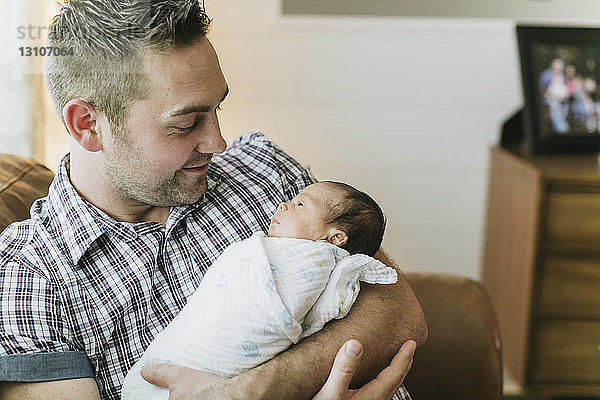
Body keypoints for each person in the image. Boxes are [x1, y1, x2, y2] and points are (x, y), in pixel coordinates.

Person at [0, 1, 427, 399]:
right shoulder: (28, 281)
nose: (218, 142)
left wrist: (258, 389)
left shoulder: (265, 171)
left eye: (217, 108)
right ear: (87, 124)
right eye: (186, 123)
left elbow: (402, 313)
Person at [122, 181, 398, 399]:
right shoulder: (273, 250)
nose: (283, 205)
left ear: (334, 238)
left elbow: (314, 312)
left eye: (300, 204)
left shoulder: (318, 262)